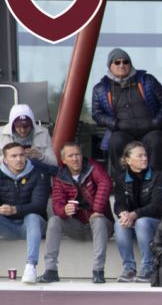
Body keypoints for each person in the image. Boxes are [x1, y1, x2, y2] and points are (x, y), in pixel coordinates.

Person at [92, 48, 162, 172]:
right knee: (115, 142)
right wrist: (115, 124)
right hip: (122, 131)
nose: (122, 65)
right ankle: (123, 181)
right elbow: (97, 114)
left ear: (130, 64)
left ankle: (152, 180)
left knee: (156, 142)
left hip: (150, 130)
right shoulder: (101, 88)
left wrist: (156, 122)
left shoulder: (147, 80)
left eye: (125, 62)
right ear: (109, 66)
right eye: (117, 62)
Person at [44, 141, 111, 284]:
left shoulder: (92, 167)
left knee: (98, 220)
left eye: (78, 154)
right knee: (54, 220)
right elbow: (57, 204)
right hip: (78, 227)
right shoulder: (60, 176)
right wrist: (64, 210)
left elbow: (105, 182)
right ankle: (51, 270)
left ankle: (98, 271)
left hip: (102, 225)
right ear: (63, 160)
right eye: (71, 156)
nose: (75, 159)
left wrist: (97, 210)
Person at [110, 141, 162, 283]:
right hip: (134, 221)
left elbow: (157, 206)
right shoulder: (121, 178)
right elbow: (119, 203)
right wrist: (123, 213)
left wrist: (134, 214)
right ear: (128, 160)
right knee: (119, 224)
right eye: (139, 156)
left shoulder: (157, 176)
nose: (144, 158)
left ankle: (148, 267)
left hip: (156, 222)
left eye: (145, 155)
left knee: (142, 222)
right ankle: (129, 268)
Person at [0, 140, 49, 284]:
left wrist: (14, 210)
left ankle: (31, 266)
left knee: (32, 217)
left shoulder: (39, 174)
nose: (19, 159)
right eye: (14, 156)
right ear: (5, 160)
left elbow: (39, 206)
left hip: (34, 226)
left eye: (22, 155)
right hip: (9, 226)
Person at [4, 104, 56, 174]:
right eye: (18, 126)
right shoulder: (1, 134)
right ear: (12, 125)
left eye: (26, 126)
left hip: (36, 173)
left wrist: (40, 156)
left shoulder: (43, 132)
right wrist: (11, 156)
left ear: (32, 124)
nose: (23, 130)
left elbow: (54, 163)